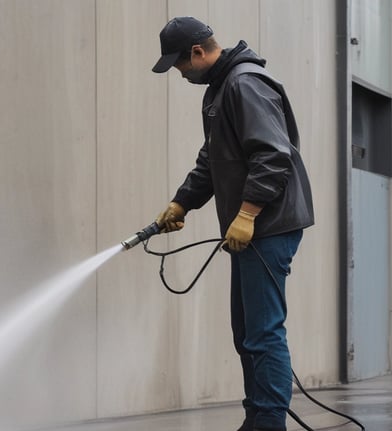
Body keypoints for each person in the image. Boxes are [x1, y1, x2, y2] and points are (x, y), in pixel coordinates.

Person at [150, 17, 315, 431]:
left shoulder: (245, 84)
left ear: (197, 52)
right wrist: (182, 202)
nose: (180, 73)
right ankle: (256, 416)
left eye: (180, 64)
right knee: (246, 332)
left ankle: (269, 422)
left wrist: (247, 214)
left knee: (263, 332)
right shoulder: (221, 89)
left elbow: (273, 155)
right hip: (251, 229)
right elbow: (213, 158)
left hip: (268, 225)